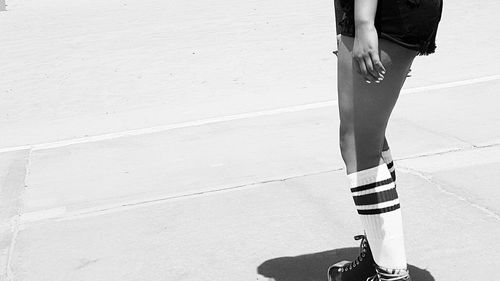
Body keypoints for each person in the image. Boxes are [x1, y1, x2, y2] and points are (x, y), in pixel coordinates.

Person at [328, 0, 443, 281]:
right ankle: (380, 257)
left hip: (383, 14)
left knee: (358, 143)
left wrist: (365, 24)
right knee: (368, 136)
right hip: (381, 13)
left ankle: (392, 274)